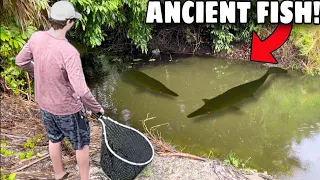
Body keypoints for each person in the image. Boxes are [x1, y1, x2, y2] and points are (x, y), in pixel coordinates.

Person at [15, 1, 104, 179]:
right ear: (70, 22)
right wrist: (97, 108)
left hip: (44, 104)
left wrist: (39, 73)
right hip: (68, 109)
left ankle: (59, 173)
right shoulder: (69, 52)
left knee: (54, 138)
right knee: (81, 144)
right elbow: (81, 90)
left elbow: (21, 61)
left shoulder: (36, 37)